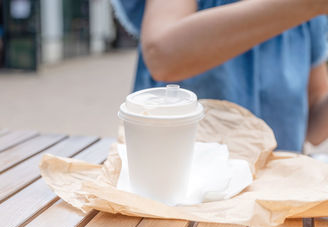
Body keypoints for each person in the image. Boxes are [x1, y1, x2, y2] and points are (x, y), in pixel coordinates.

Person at [111, 0, 328, 152]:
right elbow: (162, 57)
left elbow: (314, 127)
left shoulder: (308, 17)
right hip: (179, 196)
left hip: (274, 199)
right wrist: (304, 5)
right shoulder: (305, 7)